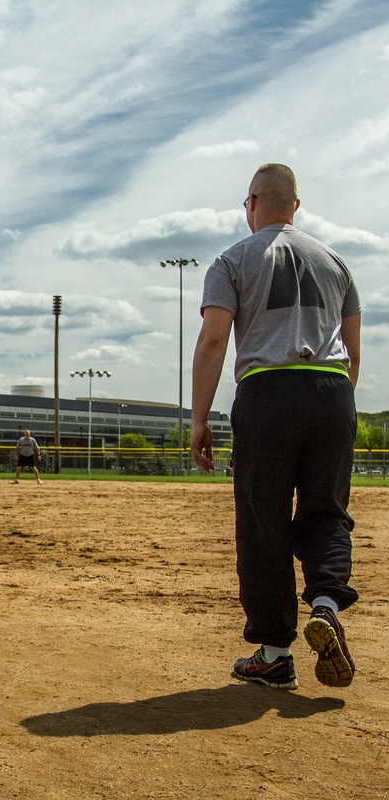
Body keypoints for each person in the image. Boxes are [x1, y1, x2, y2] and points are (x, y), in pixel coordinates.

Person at [191, 163, 361, 691]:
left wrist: (199, 419)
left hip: (268, 390)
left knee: (263, 520)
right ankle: (327, 602)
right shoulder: (335, 261)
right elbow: (354, 351)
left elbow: (215, 339)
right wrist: (337, 406)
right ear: (296, 205)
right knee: (326, 511)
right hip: (334, 390)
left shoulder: (233, 259)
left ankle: (274, 654)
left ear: (252, 203)